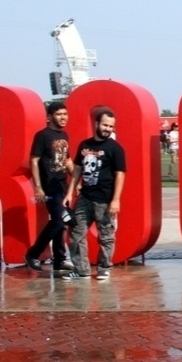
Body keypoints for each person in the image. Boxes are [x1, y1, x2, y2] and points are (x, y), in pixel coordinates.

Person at [64, 108, 126, 281]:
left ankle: (104, 268)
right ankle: (81, 270)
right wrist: (70, 193)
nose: (108, 129)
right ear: (97, 124)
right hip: (85, 198)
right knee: (76, 234)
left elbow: (120, 174)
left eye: (111, 126)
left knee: (106, 236)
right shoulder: (84, 145)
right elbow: (77, 170)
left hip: (105, 200)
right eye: (105, 125)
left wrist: (116, 200)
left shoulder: (115, 149)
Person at [25, 101, 74, 272]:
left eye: (65, 114)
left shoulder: (64, 135)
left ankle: (59, 259)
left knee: (62, 222)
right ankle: (33, 254)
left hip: (63, 186)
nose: (63, 117)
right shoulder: (42, 136)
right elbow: (34, 160)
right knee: (59, 221)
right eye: (59, 114)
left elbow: (67, 160)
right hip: (49, 187)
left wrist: (77, 180)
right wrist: (38, 186)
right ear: (49, 117)